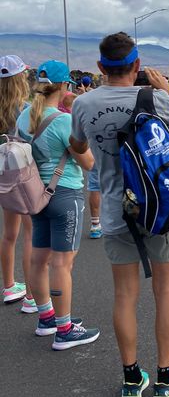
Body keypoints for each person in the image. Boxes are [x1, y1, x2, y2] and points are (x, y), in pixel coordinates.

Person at [70, 32, 169, 397]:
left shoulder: (84, 104)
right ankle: (166, 381)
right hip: (161, 209)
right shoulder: (152, 97)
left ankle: (132, 380)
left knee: (124, 295)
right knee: (165, 292)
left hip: (117, 213)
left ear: (101, 67)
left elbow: (78, 146)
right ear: (137, 65)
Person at [16, 60, 99, 349]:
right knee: (63, 263)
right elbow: (87, 162)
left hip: (35, 195)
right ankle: (65, 329)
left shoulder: (24, 117)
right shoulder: (64, 121)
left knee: (40, 259)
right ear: (64, 86)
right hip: (65, 194)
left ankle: (46, 318)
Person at [0, 55, 36, 312]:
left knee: (9, 233)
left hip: (2, 174)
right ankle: (32, 296)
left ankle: (10, 286)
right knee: (31, 232)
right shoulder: (25, 110)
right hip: (23, 174)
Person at [74, 78, 103, 238]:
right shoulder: (100, 97)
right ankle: (125, 221)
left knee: (95, 187)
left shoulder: (77, 100)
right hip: (109, 144)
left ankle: (95, 225)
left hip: (92, 146)